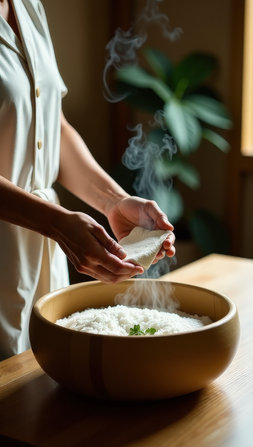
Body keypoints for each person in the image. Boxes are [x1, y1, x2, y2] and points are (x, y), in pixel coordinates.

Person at [0, 0, 176, 359]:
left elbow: (52, 127)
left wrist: (113, 202)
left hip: (44, 251)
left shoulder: (28, 6)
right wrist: (55, 222)